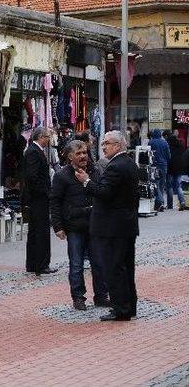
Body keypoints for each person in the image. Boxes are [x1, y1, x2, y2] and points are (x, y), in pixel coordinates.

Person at [74, 131, 139, 321]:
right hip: (125, 225)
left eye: (107, 143)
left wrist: (86, 181)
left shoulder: (116, 166)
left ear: (118, 145)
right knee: (126, 268)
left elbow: (104, 192)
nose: (103, 147)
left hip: (113, 227)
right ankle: (129, 306)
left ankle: (121, 309)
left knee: (115, 267)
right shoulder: (128, 163)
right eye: (102, 143)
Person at [50, 140, 109, 311]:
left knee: (99, 262)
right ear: (70, 157)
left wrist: (88, 180)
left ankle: (101, 296)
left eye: (84, 152)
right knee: (76, 264)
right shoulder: (62, 175)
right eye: (78, 153)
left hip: (95, 224)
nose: (83, 156)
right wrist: (58, 226)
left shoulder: (95, 170)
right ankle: (78, 297)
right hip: (74, 225)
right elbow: (55, 201)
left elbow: (101, 191)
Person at [22, 126, 57, 276]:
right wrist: (43, 193)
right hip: (38, 199)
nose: (49, 140)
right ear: (41, 137)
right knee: (40, 231)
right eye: (48, 137)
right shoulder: (33, 152)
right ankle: (41, 264)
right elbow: (32, 176)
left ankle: (33, 263)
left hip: (38, 197)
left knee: (35, 231)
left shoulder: (35, 151)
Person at [149, 129, 171, 211]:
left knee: (156, 184)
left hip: (154, 166)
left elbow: (149, 154)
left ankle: (160, 202)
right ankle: (159, 205)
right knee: (161, 185)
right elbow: (169, 156)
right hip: (164, 166)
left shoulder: (151, 142)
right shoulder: (164, 142)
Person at [165, 132, 187, 211]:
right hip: (179, 168)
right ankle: (182, 202)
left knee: (169, 187)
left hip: (170, 168)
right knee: (178, 186)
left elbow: (167, 157)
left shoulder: (168, 147)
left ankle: (170, 205)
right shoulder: (181, 146)